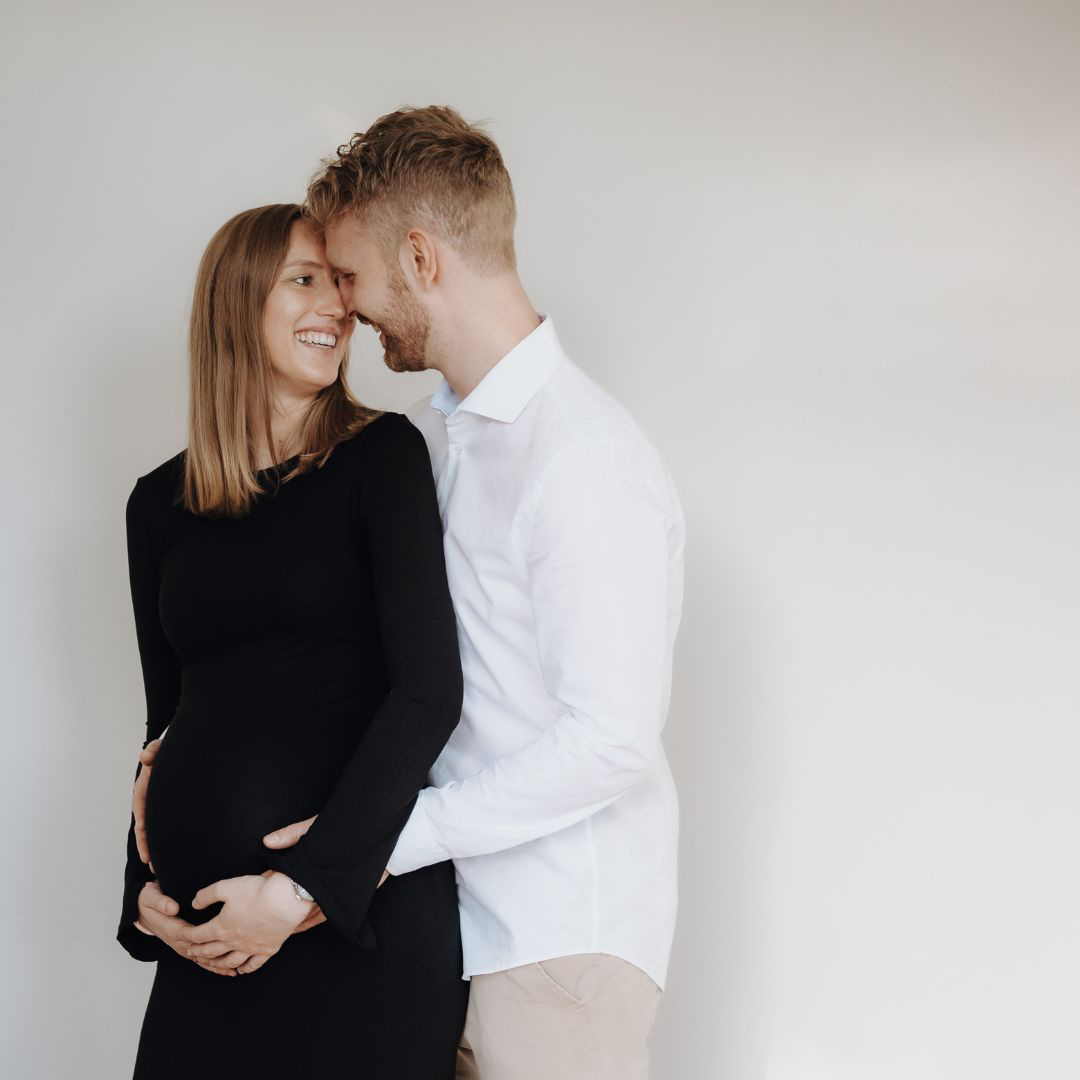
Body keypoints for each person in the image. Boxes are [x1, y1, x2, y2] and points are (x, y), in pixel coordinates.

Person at [118, 202, 468, 1079]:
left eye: (340, 284)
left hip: (356, 933)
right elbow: (170, 722)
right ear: (237, 302)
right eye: (304, 281)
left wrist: (300, 889)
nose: (337, 307)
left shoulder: (380, 458)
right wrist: (143, 893)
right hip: (206, 939)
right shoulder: (158, 503)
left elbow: (428, 691)